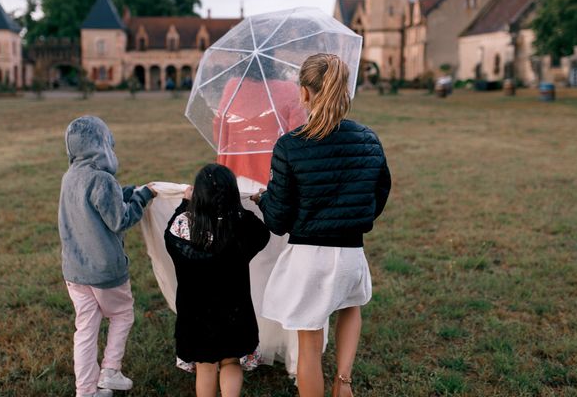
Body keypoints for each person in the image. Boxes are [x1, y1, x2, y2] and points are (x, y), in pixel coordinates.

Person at [251, 53, 391, 397]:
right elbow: (380, 192)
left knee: (309, 345)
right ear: (345, 91)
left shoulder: (289, 146)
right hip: (350, 254)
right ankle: (343, 383)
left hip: (308, 257)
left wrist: (264, 199)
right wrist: (353, 216)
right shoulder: (368, 140)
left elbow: (278, 220)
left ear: (304, 93)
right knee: (350, 307)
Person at [58, 115, 157, 397]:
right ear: (102, 145)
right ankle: (111, 371)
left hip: (75, 270)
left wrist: (127, 191)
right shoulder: (102, 179)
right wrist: (142, 197)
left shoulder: (70, 177)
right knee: (122, 314)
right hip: (104, 270)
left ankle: (86, 391)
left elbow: (98, 204)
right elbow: (119, 219)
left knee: (86, 330)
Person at [164, 163, 270, 397]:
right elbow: (263, 235)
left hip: (195, 315)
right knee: (231, 362)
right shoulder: (242, 224)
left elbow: (168, 238)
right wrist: (252, 203)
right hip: (234, 312)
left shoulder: (183, 224)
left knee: (205, 366)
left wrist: (184, 202)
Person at [214, 58, 307, 185]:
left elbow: (219, 131)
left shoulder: (233, 88)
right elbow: (299, 138)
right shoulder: (290, 90)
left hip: (235, 175)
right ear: (271, 60)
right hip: (277, 178)